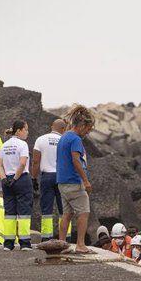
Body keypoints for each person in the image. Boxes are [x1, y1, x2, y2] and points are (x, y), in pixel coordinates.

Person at [56, 105, 95, 254]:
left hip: (62, 181)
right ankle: (80, 244)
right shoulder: (75, 139)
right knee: (83, 212)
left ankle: (61, 243)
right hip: (73, 182)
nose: (88, 132)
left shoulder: (64, 136)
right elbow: (76, 160)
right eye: (88, 128)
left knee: (67, 214)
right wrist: (85, 181)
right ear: (82, 125)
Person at [0, 120, 33, 251]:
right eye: (26, 129)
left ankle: (8, 243)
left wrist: (4, 179)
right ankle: (24, 243)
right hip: (21, 178)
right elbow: (22, 164)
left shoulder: (4, 145)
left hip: (7, 179)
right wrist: (16, 178)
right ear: (19, 130)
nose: (27, 132)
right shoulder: (23, 144)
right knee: (24, 212)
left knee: (10, 212)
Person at [32, 119, 66, 242]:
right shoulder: (64, 140)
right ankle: (65, 238)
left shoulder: (41, 139)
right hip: (62, 176)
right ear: (63, 129)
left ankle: (46, 237)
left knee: (46, 208)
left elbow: (36, 161)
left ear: (52, 126)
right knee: (64, 209)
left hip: (46, 176)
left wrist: (34, 178)